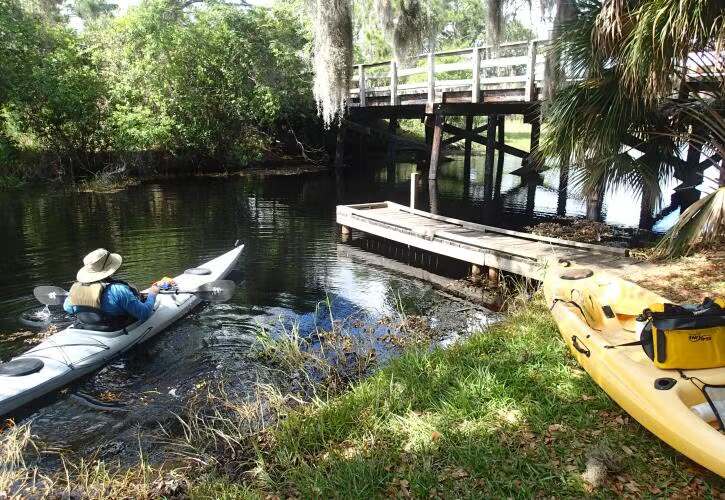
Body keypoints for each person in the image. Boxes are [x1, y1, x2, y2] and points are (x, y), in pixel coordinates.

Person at [63, 248, 171, 322]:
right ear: (110, 269)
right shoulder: (118, 290)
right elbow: (144, 314)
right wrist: (152, 294)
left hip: (89, 327)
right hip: (115, 330)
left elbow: (67, 308)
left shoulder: (75, 289)